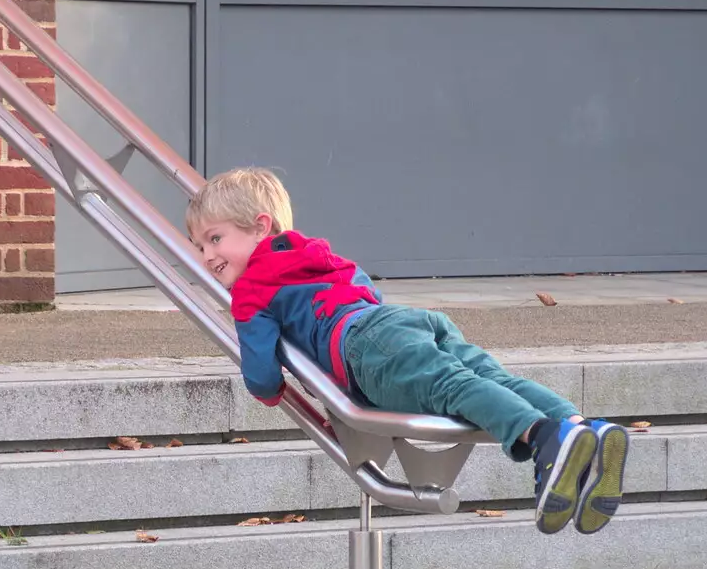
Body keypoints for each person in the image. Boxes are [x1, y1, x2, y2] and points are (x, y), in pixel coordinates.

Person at [185, 167, 628, 535]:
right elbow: (362, 287)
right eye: (200, 246)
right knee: (494, 379)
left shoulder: (253, 288)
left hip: (365, 347)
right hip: (405, 322)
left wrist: (268, 393)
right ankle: (578, 427)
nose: (207, 256)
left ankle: (544, 438)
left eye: (215, 239)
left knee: (454, 389)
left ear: (261, 226)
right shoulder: (317, 255)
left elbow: (261, 374)